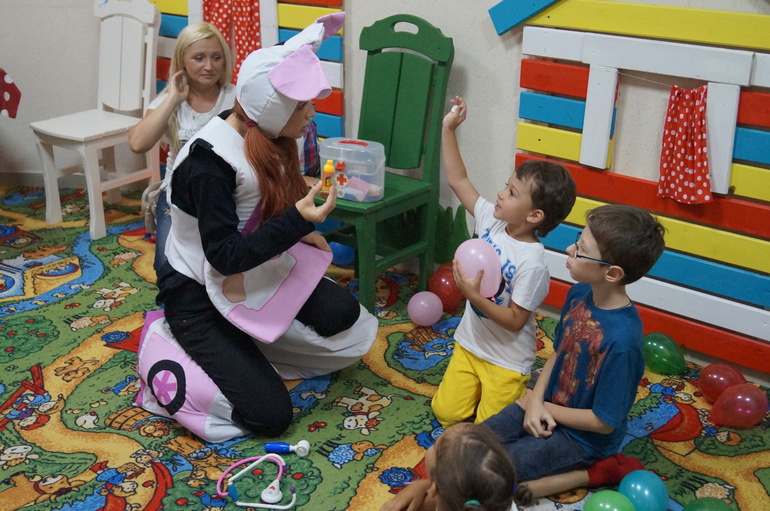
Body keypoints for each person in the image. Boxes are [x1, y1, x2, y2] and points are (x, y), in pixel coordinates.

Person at [151, 12, 377, 437]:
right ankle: (168, 344)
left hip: (249, 269)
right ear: (275, 106)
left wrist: (300, 229)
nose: (311, 113)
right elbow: (224, 257)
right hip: (197, 290)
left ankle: (244, 344)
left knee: (344, 316)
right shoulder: (208, 165)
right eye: (302, 105)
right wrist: (296, 222)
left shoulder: (265, 134)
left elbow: (256, 208)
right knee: (270, 417)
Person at [483, 204, 666, 505]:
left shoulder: (623, 342)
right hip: (545, 404)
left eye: (581, 250)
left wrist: (542, 407)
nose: (570, 249)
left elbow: (603, 422)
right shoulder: (580, 292)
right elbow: (558, 352)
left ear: (612, 273)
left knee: (488, 473)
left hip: (582, 439)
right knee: (468, 443)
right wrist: (535, 401)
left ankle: (595, 471)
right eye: (578, 239)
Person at [431, 96, 577, 427]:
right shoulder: (491, 221)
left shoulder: (533, 263)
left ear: (534, 215)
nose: (500, 194)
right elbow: (458, 180)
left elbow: (514, 320)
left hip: (506, 360)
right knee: (447, 414)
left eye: (512, 193)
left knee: (490, 430)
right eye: (505, 186)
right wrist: (448, 129)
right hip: (470, 345)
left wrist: (473, 297)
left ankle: (529, 386)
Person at [129, 22, 235, 270]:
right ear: (182, 61)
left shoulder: (236, 97)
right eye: (199, 58)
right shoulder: (169, 101)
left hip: (227, 196)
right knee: (168, 267)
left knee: (224, 260)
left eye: (216, 57)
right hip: (178, 198)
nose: (209, 66)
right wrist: (173, 99)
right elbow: (137, 143)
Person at [380, 422, 517, 511]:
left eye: (435, 446)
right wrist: (420, 486)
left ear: (436, 489)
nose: (431, 447)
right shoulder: (498, 496)